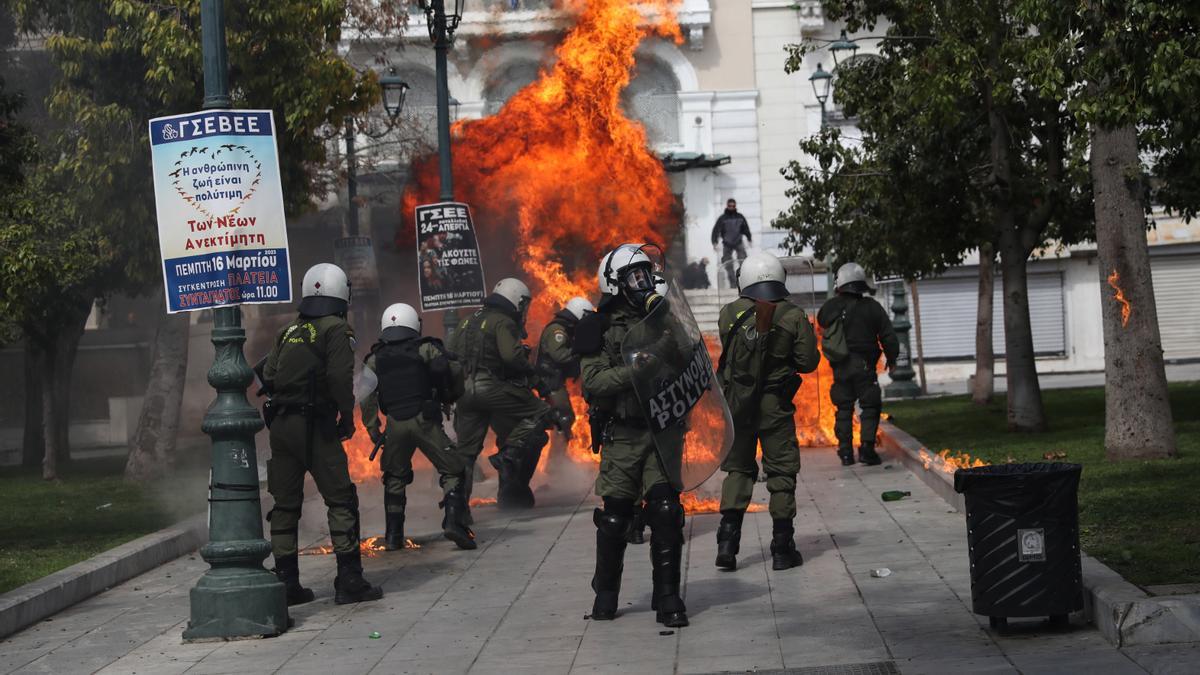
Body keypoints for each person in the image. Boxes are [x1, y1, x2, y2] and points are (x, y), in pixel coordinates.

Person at [577, 243, 689, 628]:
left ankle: (669, 597)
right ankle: (605, 596)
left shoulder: (659, 317)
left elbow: (687, 355)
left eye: (647, 274)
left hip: (661, 430)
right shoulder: (598, 327)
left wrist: (668, 322)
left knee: (665, 512)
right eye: (635, 277)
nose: (644, 283)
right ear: (614, 283)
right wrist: (635, 370)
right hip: (622, 435)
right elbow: (593, 381)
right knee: (615, 520)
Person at [262, 263, 383, 606]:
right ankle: (350, 580)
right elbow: (340, 379)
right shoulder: (337, 330)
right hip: (314, 425)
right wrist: (346, 416)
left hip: (281, 427)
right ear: (340, 292)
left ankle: (286, 582)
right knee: (341, 499)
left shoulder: (287, 331)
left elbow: (269, 375)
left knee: (285, 504)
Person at [713, 252, 819, 571]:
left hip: (738, 406)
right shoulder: (793, 314)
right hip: (775, 407)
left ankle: (728, 546)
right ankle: (783, 549)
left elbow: (731, 357)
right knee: (782, 473)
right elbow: (808, 363)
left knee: (739, 471)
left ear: (744, 279)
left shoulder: (728, 313)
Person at [359, 302, 475, 552]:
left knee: (394, 477)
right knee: (453, 469)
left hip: (395, 425)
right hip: (424, 420)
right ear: (414, 324)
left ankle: (393, 535)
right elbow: (453, 369)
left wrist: (372, 428)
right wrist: (450, 396)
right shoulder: (426, 348)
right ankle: (454, 522)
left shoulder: (374, 359)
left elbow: (365, 394)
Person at [451, 278, 556, 510]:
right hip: (493, 388)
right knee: (543, 412)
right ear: (517, 300)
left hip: (464, 392)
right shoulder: (503, 322)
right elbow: (511, 357)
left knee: (466, 455)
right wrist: (536, 378)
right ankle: (507, 456)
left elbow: (450, 354)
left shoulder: (467, 321)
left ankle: (456, 512)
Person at [817, 262, 899, 466]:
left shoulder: (832, 306)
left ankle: (845, 452)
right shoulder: (872, 307)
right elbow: (888, 335)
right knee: (870, 406)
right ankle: (866, 449)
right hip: (864, 366)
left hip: (840, 367)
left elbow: (822, 320)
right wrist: (892, 358)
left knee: (843, 408)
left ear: (840, 283)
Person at [535, 296, 594, 459]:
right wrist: (582, 351)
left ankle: (557, 459)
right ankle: (556, 463)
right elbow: (560, 355)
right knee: (564, 417)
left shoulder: (566, 328)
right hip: (550, 382)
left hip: (554, 381)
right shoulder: (558, 330)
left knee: (561, 418)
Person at [710, 199, 752, 289]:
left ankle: (744, 283)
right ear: (727, 206)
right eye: (730, 206)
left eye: (733, 206)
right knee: (728, 264)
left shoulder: (740, 217)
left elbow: (745, 228)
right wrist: (714, 242)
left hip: (738, 242)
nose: (732, 208)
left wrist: (749, 238)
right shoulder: (722, 218)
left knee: (743, 262)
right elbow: (716, 230)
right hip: (727, 243)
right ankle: (733, 284)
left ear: (735, 206)